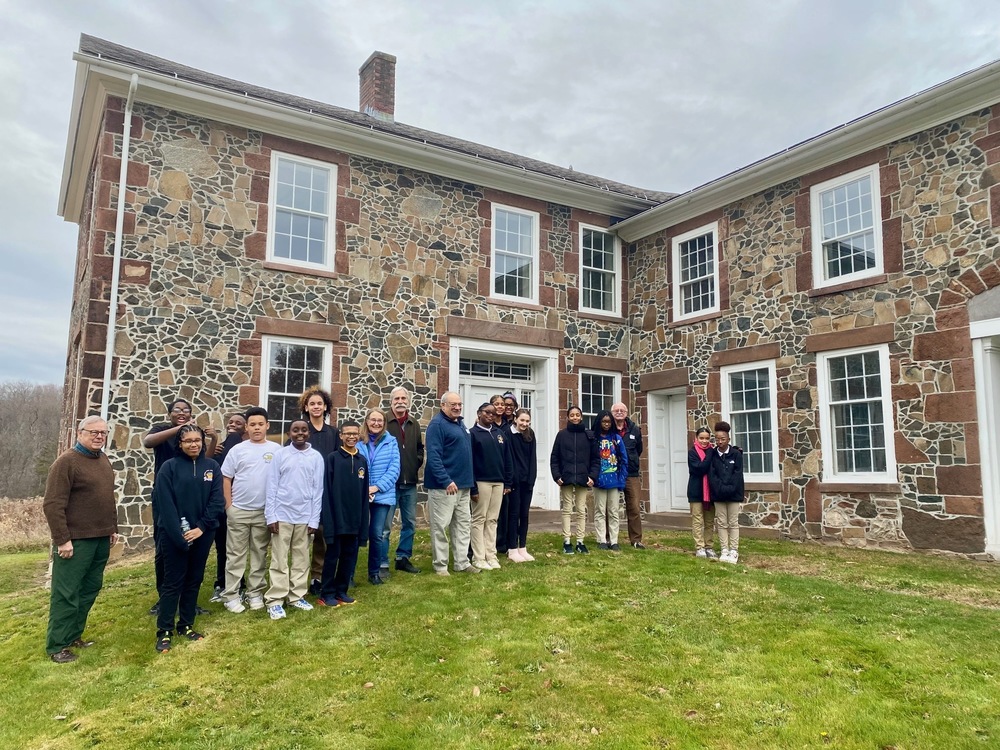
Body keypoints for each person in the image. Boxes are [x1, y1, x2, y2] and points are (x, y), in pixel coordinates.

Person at [42, 416, 119, 663]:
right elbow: (53, 504)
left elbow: (107, 497)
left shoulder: (103, 460)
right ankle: (57, 646)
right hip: (75, 541)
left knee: (89, 589)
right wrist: (62, 539)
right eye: (93, 432)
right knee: (66, 593)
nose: (99, 436)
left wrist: (112, 528)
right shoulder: (67, 462)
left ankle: (73, 635)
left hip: (100, 538)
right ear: (80, 433)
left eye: (103, 433)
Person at [152, 424, 224, 653]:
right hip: (174, 535)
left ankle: (186, 624)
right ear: (180, 444)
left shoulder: (211, 466)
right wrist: (180, 535)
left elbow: (217, 501)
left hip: (203, 533)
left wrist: (201, 528)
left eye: (197, 440)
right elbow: (165, 504)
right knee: (172, 583)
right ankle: (164, 630)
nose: (193, 444)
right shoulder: (168, 468)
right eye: (188, 441)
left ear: (203, 442)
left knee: (194, 580)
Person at [142, 398, 217, 615]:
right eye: (177, 410)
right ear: (170, 414)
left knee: (192, 546)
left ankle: (188, 600)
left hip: (191, 496)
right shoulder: (163, 430)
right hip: (165, 497)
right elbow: (148, 442)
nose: (182, 412)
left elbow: (205, 461)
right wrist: (178, 429)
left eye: (186, 410)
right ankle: (165, 597)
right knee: (165, 548)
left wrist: (212, 439)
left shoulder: (193, 436)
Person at [219, 407, 280, 613]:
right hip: (239, 511)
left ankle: (255, 593)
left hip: (263, 512)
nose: (256, 428)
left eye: (260, 424)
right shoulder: (238, 450)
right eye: (252, 424)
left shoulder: (276, 449)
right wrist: (229, 506)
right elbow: (226, 478)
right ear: (246, 427)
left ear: (267, 425)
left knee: (259, 554)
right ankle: (231, 595)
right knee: (235, 555)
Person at [263, 419, 324, 620]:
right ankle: (275, 600)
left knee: (301, 558)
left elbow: (318, 490)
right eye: (295, 430)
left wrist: (314, 520)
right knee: (280, 559)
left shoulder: (316, 457)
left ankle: (296, 596)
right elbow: (271, 486)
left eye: (304, 430)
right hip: (282, 515)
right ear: (289, 433)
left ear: (309, 433)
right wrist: (271, 516)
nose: (300, 433)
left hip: (305, 516)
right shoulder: (280, 455)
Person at [424, 392, 480, 576]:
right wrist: (445, 480)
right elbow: (433, 457)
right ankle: (440, 565)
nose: (457, 407)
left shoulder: (460, 423)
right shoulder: (437, 425)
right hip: (444, 487)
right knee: (440, 526)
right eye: (452, 404)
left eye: (459, 404)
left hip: (463, 486)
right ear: (443, 406)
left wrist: (470, 484)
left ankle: (461, 562)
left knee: (463, 525)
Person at [317, 421, 369, 606]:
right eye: (347, 433)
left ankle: (341, 591)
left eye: (355, 433)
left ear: (359, 435)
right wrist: (329, 520)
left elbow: (364, 496)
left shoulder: (362, 461)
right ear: (341, 436)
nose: (351, 437)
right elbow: (327, 491)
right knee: (332, 556)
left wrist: (363, 521)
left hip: (354, 520)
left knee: (349, 556)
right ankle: (326, 593)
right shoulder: (332, 459)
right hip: (337, 519)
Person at [298, 387, 340, 595]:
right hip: (304, 491)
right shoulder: (300, 430)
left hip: (326, 490)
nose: (316, 407)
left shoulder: (333, 433)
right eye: (312, 403)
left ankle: (318, 577)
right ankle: (298, 579)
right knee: (303, 537)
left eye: (319, 404)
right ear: (306, 407)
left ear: (326, 407)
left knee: (323, 536)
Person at [358, 408, 400, 586]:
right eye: (372, 420)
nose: (376, 423)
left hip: (382, 495)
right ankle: (348, 574)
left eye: (380, 421)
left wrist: (376, 487)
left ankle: (374, 572)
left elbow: (394, 469)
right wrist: (363, 488)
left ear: (384, 423)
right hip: (359, 494)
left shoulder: (391, 442)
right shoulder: (358, 441)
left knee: (377, 534)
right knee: (354, 535)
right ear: (366, 421)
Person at [469, 402, 513, 570]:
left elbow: (507, 459)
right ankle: (478, 557)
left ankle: (491, 555)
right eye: (487, 412)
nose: (490, 415)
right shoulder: (472, 434)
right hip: (481, 482)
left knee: (492, 519)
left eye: (493, 413)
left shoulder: (500, 434)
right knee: (479, 519)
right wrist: (473, 487)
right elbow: (470, 462)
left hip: (499, 482)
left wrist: (507, 482)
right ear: (479, 413)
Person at [385, 386, 423, 574]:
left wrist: (415, 464)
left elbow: (419, 449)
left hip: (409, 483)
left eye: (403, 398)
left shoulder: (413, 423)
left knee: (409, 523)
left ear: (408, 401)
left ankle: (403, 558)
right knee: (385, 526)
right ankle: (381, 562)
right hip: (389, 484)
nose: (400, 401)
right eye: (397, 398)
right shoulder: (383, 421)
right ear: (391, 401)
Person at [209, 412, 247, 601]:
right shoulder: (220, 448)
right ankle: (226, 583)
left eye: (238, 423)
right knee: (225, 547)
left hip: (235, 503)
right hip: (223, 505)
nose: (233, 424)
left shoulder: (238, 445)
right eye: (231, 422)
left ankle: (232, 583)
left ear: (245, 427)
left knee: (230, 547)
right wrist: (214, 442)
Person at [550, 405, 597, 555]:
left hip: (583, 478)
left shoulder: (589, 435)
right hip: (566, 478)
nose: (575, 417)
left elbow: (596, 459)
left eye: (577, 415)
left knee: (581, 511)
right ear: (568, 417)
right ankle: (567, 541)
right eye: (572, 415)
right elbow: (554, 457)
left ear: (581, 417)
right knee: (567, 510)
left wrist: (592, 476)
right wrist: (557, 476)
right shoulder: (562, 435)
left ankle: (580, 542)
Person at [591, 410, 628, 551]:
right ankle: (601, 539)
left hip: (614, 480)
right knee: (600, 511)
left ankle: (614, 541)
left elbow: (624, 460)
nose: (606, 424)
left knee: (613, 511)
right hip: (598, 480)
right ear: (599, 422)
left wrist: (622, 479)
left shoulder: (616, 439)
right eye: (604, 421)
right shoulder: (594, 439)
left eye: (608, 422)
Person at [610, 402, 645, 550]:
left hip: (631, 473)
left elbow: (639, 449)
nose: (619, 412)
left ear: (626, 412)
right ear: (612, 413)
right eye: (616, 410)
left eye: (622, 410)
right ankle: (609, 539)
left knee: (634, 508)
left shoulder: (635, 429)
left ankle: (636, 540)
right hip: (612, 473)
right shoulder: (608, 428)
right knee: (610, 508)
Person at [709, 421, 744, 564]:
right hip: (718, 494)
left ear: (728, 439)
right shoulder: (712, 455)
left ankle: (734, 550)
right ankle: (724, 549)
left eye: (723, 439)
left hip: (734, 494)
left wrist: (729, 488)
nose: (720, 442)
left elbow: (738, 474)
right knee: (722, 523)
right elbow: (712, 474)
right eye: (717, 439)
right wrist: (720, 488)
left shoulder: (736, 454)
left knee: (733, 522)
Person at [505, 408, 537, 563]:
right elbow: (508, 459)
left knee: (524, 515)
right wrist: (511, 481)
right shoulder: (507, 434)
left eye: (527, 421)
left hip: (527, 482)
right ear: (515, 419)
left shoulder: (530, 435)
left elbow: (532, 459)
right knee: (513, 515)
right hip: (514, 483)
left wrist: (531, 479)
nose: (524, 424)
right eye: (522, 420)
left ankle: (522, 547)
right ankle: (512, 548)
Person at [688, 427, 717, 559]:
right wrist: (710, 454)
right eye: (702, 438)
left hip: (711, 491)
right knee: (698, 520)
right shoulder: (692, 453)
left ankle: (709, 546)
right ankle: (699, 547)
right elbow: (700, 469)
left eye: (707, 438)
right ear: (696, 438)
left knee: (709, 521)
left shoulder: (714, 452)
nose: (704, 441)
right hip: (696, 491)